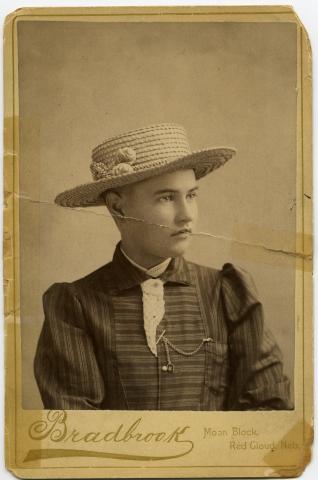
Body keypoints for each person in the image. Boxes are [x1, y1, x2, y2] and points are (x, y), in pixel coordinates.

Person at [34, 123, 292, 410]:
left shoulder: (226, 292)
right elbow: (75, 430)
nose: (186, 216)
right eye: (167, 198)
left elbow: (267, 413)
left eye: (191, 195)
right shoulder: (76, 305)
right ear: (118, 207)